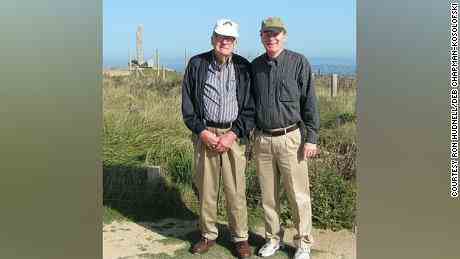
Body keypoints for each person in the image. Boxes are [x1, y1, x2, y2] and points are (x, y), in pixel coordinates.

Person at [181, 18, 254, 258]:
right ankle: (208, 234)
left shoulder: (244, 67)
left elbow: (250, 108)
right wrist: (202, 132)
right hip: (205, 134)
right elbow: (188, 105)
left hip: (233, 135)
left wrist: (233, 134)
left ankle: (240, 237)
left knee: (236, 191)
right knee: (207, 189)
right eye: (221, 37)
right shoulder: (197, 64)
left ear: (235, 42)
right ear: (213, 39)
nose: (225, 41)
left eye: (230, 38)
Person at [251, 17, 320, 259]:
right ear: (261, 36)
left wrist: (311, 138)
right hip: (262, 140)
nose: (271, 37)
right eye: (267, 33)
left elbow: (310, 102)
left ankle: (303, 242)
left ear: (284, 35)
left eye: (276, 33)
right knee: (268, 196)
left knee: (298, 195)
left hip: (292, 138)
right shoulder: (255, 66)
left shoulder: (298, 62)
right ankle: (273, 239)